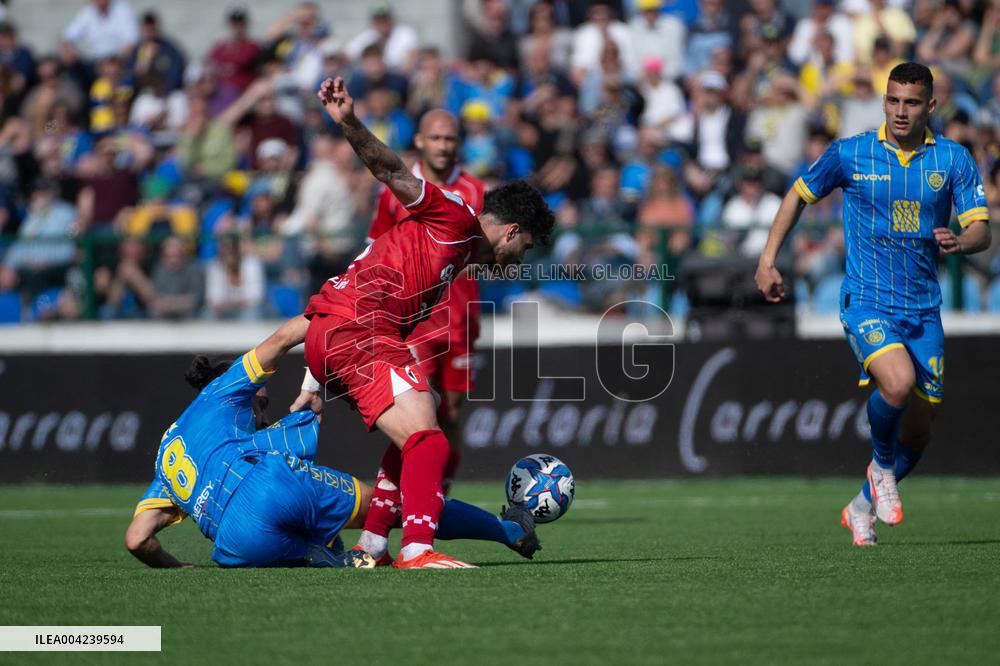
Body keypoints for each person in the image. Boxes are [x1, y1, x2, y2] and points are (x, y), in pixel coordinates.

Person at [287, 77, 553, 569]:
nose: (519, 261)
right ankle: (417, 548)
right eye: (525, 248)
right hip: (357, 331)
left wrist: (311, 377)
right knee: (429, 439)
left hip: (342, 331)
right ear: (512, 231)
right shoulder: (455, 216)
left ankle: (372, 545)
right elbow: (391, 170)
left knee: (419, 424)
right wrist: (349, 121)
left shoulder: (453, 258)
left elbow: (354, 276)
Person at [754, 62, 991, 547]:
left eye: (911, 103)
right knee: (898, 383)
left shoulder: (952, 159)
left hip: (923, 309)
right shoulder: (851, 153)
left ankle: (861, 505)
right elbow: (797, 196)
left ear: (930, 106)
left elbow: (982, 231)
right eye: (893, 100)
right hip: (867, 300)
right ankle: (881, 467)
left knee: (920, 432)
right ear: (884, 101)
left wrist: (961, 241)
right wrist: (768, 259)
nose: (900, 111)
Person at [124, 331, 541, 569]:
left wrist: (179, 568)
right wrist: (327, 319)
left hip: (236, 546)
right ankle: (509, 531)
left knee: (327, 549)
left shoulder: (166, 454)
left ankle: (326, 553)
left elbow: (137, 540)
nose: (263, 417)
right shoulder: (222, 393)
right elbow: (284, 336)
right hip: (267, 488)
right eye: (260, 405)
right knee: (392, 507)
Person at [366, 107, 485, 507]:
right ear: (419, 140)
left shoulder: (475, 190)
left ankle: (438, 499)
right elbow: (375, 247)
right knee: (418, 415)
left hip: (462, 320)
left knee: (451, 413)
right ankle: (407, 501)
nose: (443, 146)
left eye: (450, 139)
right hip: (415, 323)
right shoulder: (395, 190)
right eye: (436, 138)